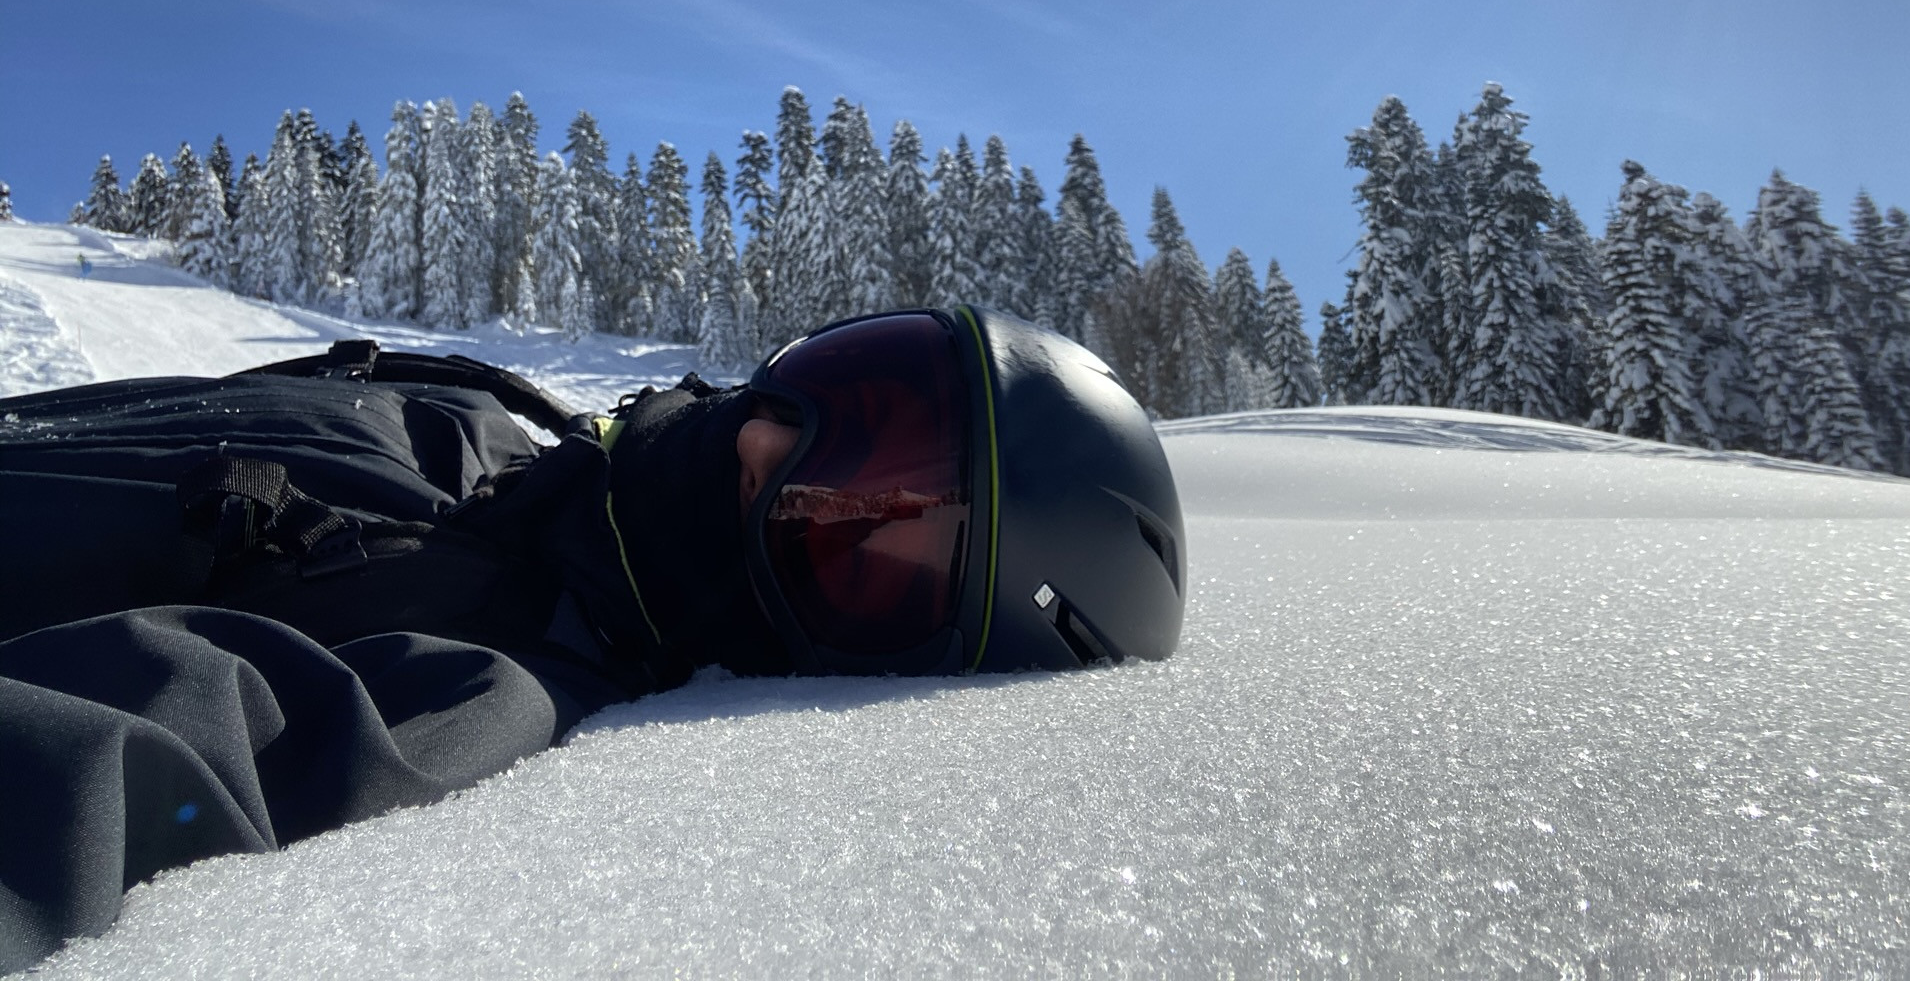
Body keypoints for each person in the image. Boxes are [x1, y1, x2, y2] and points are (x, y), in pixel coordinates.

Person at [0, 305, 1185, 970]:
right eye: (847, 392)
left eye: (863, 528)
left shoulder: (505, 669)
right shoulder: (504, 431)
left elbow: (132, 755)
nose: (769, 450)